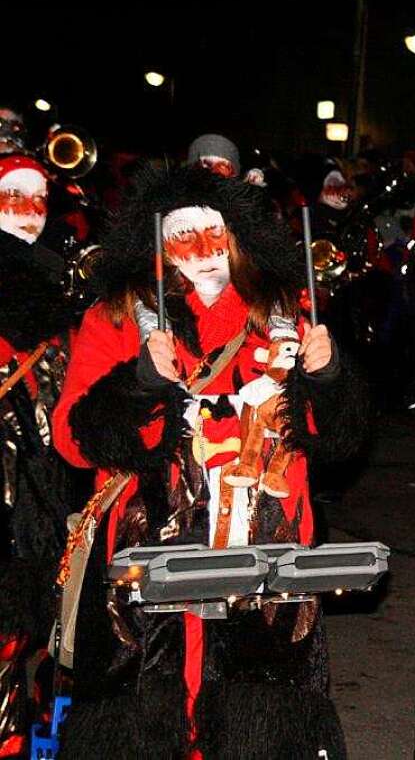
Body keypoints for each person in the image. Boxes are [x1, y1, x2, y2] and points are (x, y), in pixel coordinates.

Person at [51, 165, 367, 758]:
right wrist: (139, 385)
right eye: (183, 236)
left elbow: (338, 441)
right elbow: (72, 439)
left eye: (213, 234)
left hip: (265, 562)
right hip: (150, 561)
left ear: (239, 240)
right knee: (150, 715)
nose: (200, 251)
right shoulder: (116, 318)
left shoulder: (285, 317)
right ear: (157, 247)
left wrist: (327, 380)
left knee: (256, 720)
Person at [0, 153, 74, 758]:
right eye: (12, 196)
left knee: (48, 617)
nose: (29, 211)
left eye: (39, 198)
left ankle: (40, 737)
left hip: (46, 469)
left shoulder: (61, 272)